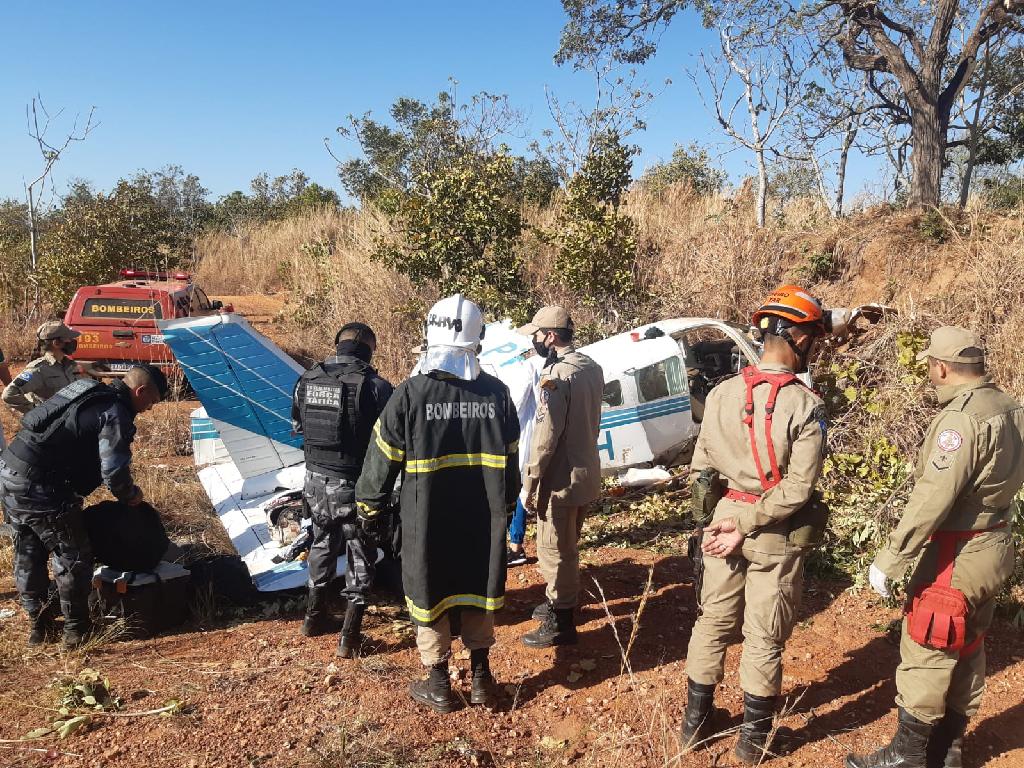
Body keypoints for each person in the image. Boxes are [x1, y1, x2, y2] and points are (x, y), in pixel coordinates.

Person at [847, 327, 1024, 768]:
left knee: (929, 641)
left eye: (931, 365)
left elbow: (934, 495)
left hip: (957, 550)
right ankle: (949, 748)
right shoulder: (1009, 406)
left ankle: (907, 756)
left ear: (942, 367)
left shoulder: (961, 419)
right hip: (996, 541)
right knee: (968, 642)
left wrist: (892, 557)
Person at [681, 285, 831, 764]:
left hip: (723, 522)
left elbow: (701, 469)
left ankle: (694, 726)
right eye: (812, 337)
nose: (816, 345)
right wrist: (746, 522)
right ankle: (751, 742)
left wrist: (715, 523)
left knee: (712, 622)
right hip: (773, 531)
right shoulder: (806, 405)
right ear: (795, 338)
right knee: (764, 636)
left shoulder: (722, 393)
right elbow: (797, 490)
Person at [356, 294, 520, 712]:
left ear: (430, 339)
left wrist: (370, 513)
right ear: (475, 341)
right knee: (478, 587)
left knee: (429, 592)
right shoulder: (498, 395)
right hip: (483, 522)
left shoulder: (410, 395)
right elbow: (513, 465)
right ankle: (482, 678)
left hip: (425, 521)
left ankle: (439, 683)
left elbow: (379, 464)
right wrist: (506, 507)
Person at [0, 363, 167, 648]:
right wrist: (131, 496)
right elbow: (114, 472)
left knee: (28, 551)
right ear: (140, 391)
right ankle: (76, 630)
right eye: (151, 401)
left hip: (10, 471)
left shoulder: (86, 389)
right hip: (42, 485)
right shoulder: (114, 412)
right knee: (73, 555)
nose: (149, 408)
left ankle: (39, 627)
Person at [291, 322, 393, 657]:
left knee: (321, 543)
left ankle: (312, 618)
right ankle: (350, 638)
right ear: (368, 347)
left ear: (338, 344)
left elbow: (298, 426)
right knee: (360, 554)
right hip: (354, 486)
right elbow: (392, 442)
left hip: (313, 483)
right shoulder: (375, 385)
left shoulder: (307, 379)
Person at [516, 306, 604, 648]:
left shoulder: (556, 377)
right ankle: (560, 602)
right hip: (586, 472)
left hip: (561, 479)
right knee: (568, 545)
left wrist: (530, 481)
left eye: (537, 335)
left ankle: (561, 619)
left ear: (551, 336)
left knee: (554, 550)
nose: (536, 341)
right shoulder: (590, 367)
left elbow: (545, 436)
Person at [2, 321, 85, 414]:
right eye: (69, 339)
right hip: (51, 425)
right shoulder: (38, 369)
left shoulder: (70, 365)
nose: (72, 341)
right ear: (56, 343)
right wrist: (37, 412)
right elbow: (9, 394)